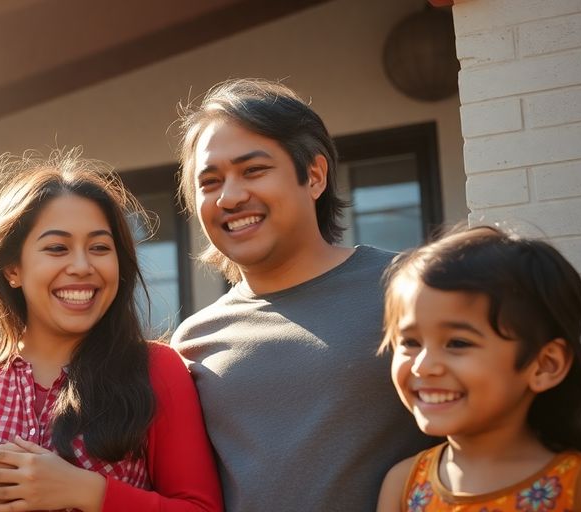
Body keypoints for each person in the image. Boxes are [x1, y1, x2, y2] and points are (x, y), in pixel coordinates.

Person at [0, 150, 222, 512]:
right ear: (12, 270)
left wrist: (88, 492)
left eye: (100, 247)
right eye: (57, 248)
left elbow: (201, 508)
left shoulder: (157, 369)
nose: (82, 266)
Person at [171, 78, 431, 511]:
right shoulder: (193, 340)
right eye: (210, 182)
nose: (230, 197)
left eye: (253, 170)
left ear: (314, 176)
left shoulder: (409, 288)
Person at [376, 226, 581, 511]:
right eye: (410, 341)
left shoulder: (576, 481)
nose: (423, 366)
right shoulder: (403, 484)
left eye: (458, 343)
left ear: (545, 365)